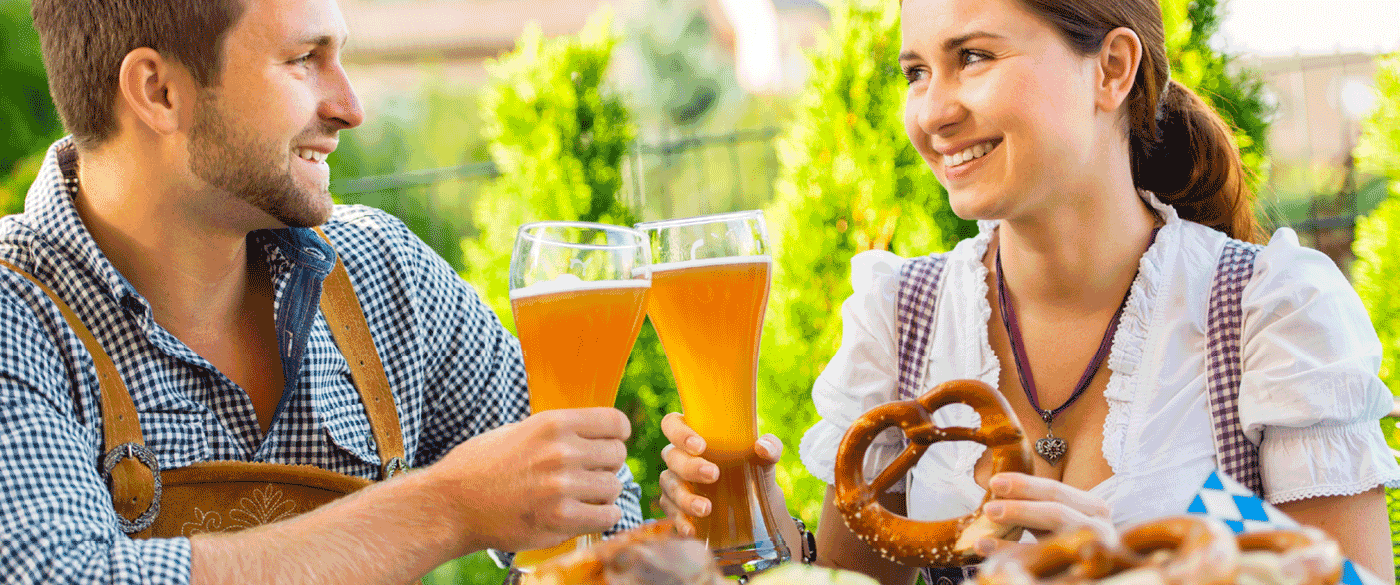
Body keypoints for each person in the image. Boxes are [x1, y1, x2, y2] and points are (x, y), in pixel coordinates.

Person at [659, 0, 1400, 583]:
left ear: (1111, 69)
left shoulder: (1269, 311)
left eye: (972, 57)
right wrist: (753, 518)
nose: (932, 111)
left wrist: (1129, 570)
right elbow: (841, 583)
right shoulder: (903, 317)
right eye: (916, 72)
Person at [0, 0, 642, 583]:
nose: (350, 107)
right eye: (304, 60)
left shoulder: (382, 271)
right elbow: (62, 574)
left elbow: (595, 508)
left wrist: (696, 527)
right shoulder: (17, 312)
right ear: (159, 90)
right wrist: (446, 507)